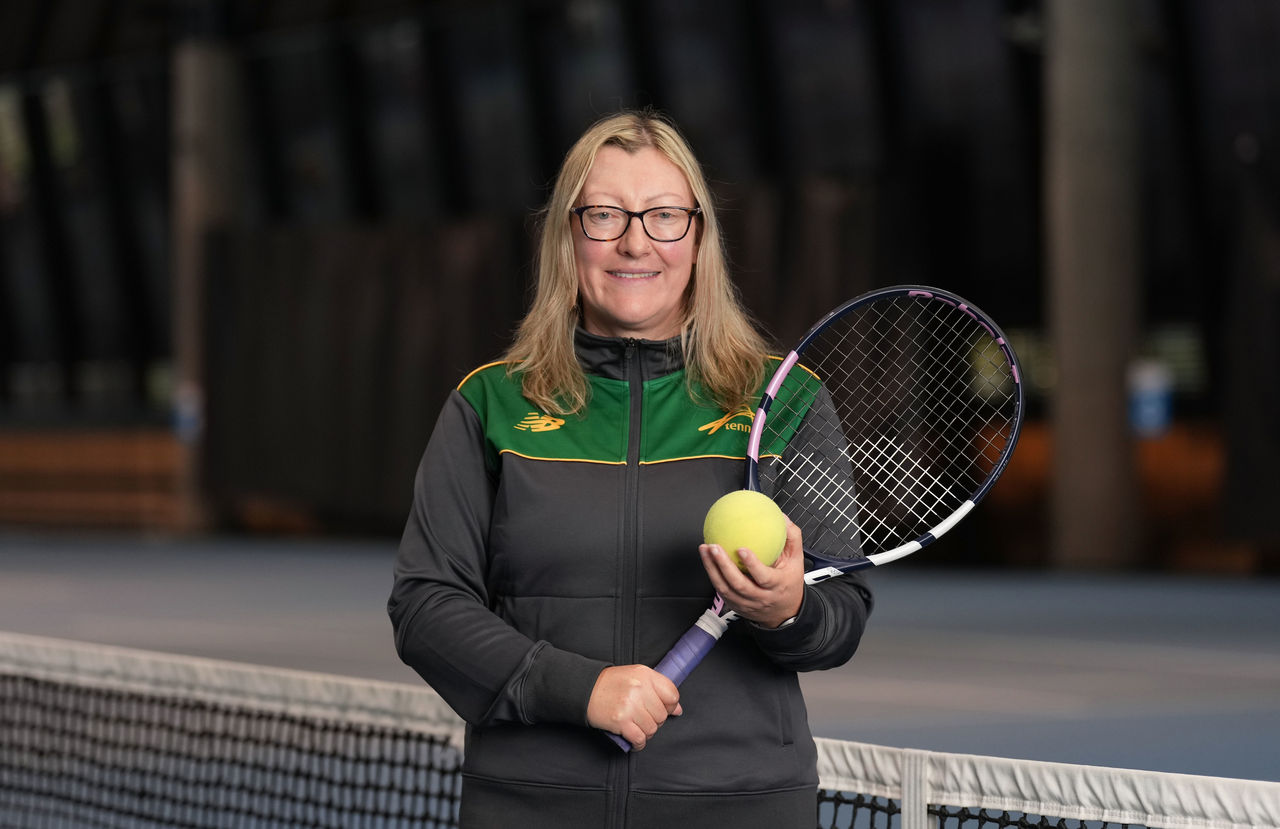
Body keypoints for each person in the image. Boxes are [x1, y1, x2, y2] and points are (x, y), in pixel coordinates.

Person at [388, 109, 874, 829]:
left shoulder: (785, 401)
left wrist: (787, 610)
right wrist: (578, 689)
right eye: (605, 215)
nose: (635, 241)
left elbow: (842, 616)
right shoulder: (488, 403)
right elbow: (426, 606)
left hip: (739, 806)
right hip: (531, 807)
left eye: (664, 215)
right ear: (568, 237)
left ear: (699, 237)